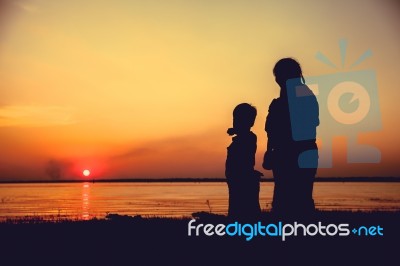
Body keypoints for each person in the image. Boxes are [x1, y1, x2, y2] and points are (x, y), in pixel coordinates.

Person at [263, 58, 319, 216]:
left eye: (279, 75)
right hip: (288, 154)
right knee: (286, 200)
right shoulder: (282, 102)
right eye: (276, 76)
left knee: (297, 201)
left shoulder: (302, 97)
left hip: (296, 154)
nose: (277, 79)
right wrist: (270, 151)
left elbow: (307, 125)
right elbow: (272, 131)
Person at [225, 103, 263, 220]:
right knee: (236, 209)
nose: (235, 121)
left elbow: (243, 160)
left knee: (245, 211)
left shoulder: (249, 138)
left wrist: (235, 130)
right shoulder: (241, 138)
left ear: (251, 122)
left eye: (239, 119)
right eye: (235, 118)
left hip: (243, 178)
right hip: (235, 178)